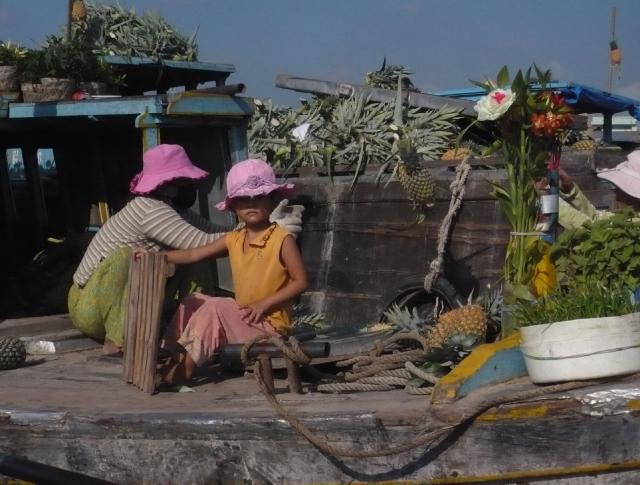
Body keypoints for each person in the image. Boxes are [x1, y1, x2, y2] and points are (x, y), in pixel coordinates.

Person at [68, 144, 304, 354]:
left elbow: (212, 233)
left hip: (123, 301)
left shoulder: (175, 210)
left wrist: (263, 228)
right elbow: (199, 244)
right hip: (91, 307)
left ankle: (193, 330)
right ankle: (116, 341)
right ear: (167, 185)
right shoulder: (148, 209)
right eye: (185, 182)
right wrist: (263, 230)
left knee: (194, 260)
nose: (191, 187)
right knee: (125, 257)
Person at [147, 158, 308, 385]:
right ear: (233, 206)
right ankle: (172, 354)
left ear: (272, 201)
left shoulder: (282, 239)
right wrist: (155, 256)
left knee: (216, 306)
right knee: (194, 300)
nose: (251, 204)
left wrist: (265, 304)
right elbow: (193, 255)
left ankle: (186, 369)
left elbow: (301, 281)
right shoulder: (235, 238)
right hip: (244, 318)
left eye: (258, 197)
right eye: (242, 199)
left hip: (269, 328)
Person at [558, 149, 640, 230]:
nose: (615, 191)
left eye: (620, 188)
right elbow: (596, 218)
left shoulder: (634, 229)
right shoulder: (629, 217)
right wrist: (570, 189)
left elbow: (594, 231)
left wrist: (555, 207)